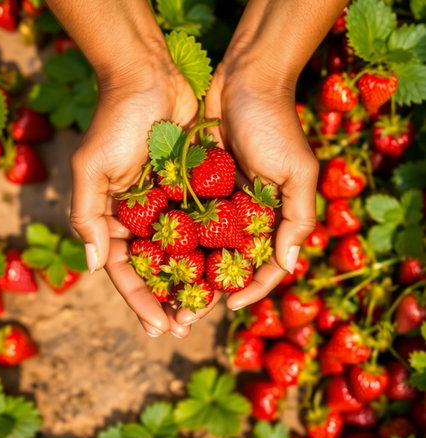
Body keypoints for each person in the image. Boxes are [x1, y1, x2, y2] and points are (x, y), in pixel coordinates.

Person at [46, 0, 348, 338]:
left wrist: (133, 73)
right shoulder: (208, 211)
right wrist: (261, 79)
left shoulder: (200, 213)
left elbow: (207, 224)